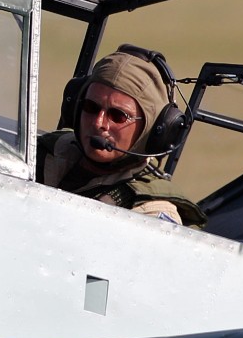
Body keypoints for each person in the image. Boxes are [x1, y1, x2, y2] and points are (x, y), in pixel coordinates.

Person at [36, 45, 207, 228]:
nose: (98, 123)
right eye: (91, 107)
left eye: (118, 116)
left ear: (156, 129)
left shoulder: (150, 213)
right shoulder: (43, 152)